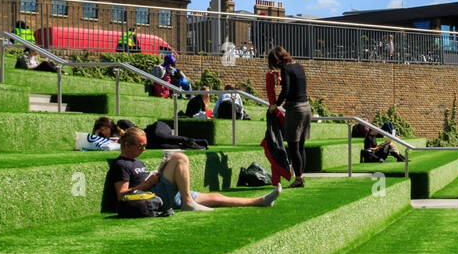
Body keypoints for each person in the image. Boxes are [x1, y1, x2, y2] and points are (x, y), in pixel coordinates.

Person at [102, 127, 278, 213]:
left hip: (161, 191)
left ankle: (261, 201)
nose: (144, 149)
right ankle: (187, 203)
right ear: (126, 145)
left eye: (145, 146)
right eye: (140, 146)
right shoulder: (121, 165)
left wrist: (160, 171)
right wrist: (147, 184)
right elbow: (122, 195)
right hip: (152, 195)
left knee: (216, 197)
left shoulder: (136, 161)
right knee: (179, 158)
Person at [269, 45, 311, 187]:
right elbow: (296, 85)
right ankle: (301, 176)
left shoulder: (286, 69)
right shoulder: (298, 66)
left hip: (296, 109)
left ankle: (299, 179)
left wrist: (276, 105)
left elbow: (285, 91)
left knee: (293, 146)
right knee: (301, 146)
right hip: (306, 107)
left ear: (277, 60)